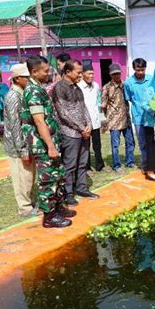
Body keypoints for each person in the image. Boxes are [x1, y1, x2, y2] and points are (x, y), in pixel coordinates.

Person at [21, 56, 74, 228]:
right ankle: (49, 217)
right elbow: (39, 121)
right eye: (45, 70)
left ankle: (58, 207)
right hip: (43, 145)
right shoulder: (33, 91)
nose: (48, 72)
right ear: (34, 72)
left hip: (51, 143)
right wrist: (50, 146)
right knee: (48, 179)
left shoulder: (40, 88)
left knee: (58, 175)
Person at [53, 59, 99, 206]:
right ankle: (68, 193)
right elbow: (63, 113)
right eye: (78, 72)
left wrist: (89, 125)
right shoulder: (59, 88)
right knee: (70, 164)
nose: (81, 75)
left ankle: (82, 188)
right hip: (70, 133)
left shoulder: (77, 88)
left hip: (84, 132)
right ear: (67, 72)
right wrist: (81, 128)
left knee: (82, 162)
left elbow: (84, 108)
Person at [3, 64, 37, 217]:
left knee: (29, 176)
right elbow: (15, 125)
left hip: (26, 142)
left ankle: (29, 201)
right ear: (17, 79)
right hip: (17, 146)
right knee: (22, 177)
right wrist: (22, 149)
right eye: (27, 78)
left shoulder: (22, 93)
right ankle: (25, 208)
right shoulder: (13, 97)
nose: (29, 80)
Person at [102, 63, 135, 174]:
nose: (116, 76)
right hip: (114, 121)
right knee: (115, 145)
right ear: (110, 75)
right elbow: (103, 106)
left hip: (126, 119)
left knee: (130, 142)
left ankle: (129, 162)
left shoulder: (126, 85)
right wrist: (109, 117)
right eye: (114, 74)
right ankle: (117, 165)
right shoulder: (106, 87)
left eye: (118, 74)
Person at [124, 58, 152, 172]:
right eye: (138, 70)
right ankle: (145, 164)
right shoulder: (128, 83)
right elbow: (129, 98)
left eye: (142, 70)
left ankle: (154, 163)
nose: (140, 72)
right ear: (134, 69)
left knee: (152, 141)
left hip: (151, 117)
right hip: (138, 117)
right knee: (142, 142)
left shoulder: (151, 79)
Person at [78, 63, 105, 172]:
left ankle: (100, 165)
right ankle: (87, 167)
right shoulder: (78, 86)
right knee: (86, 146)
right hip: (85, 122)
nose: (91, 76)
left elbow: (97, 101)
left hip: (95, 120)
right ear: (83, 74)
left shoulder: (96, 85)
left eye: (92, 74)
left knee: (97, 145)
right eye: (89, 73)